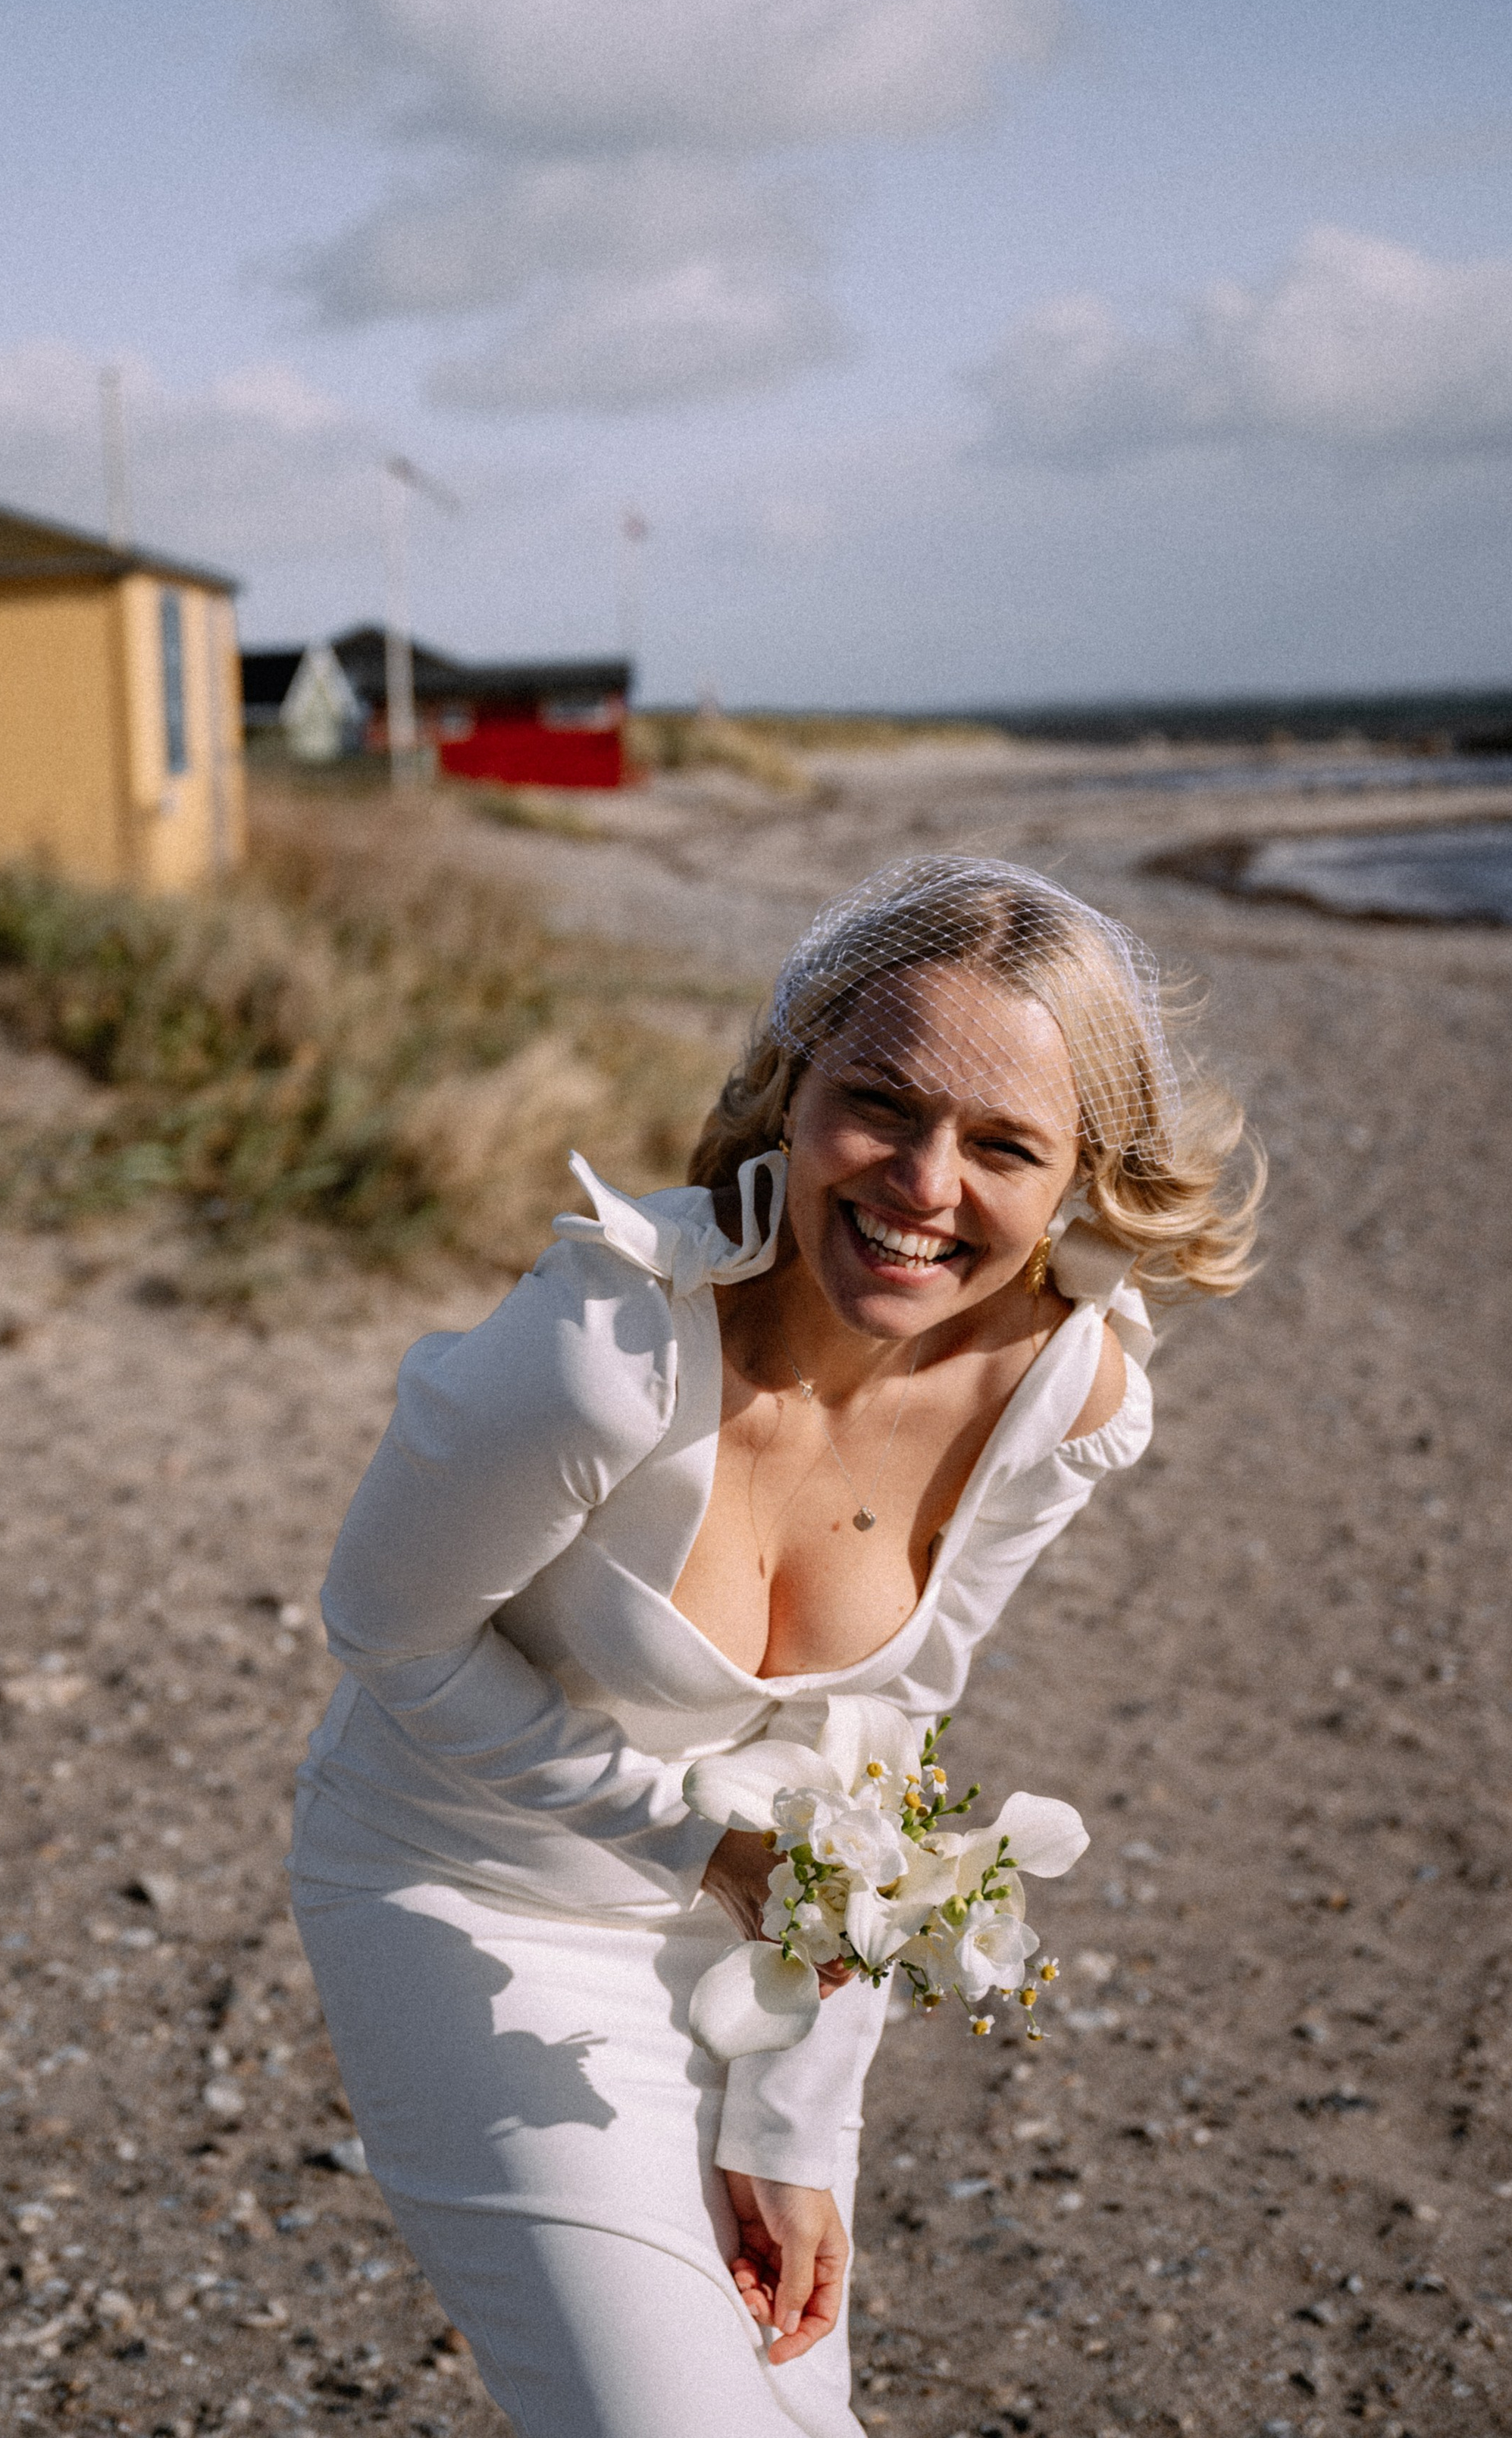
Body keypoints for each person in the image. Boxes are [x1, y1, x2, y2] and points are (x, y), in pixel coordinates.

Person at [291, 857, 1260, 2437]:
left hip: (742, 1945)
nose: (923, 1185)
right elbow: (381, 1632)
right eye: (877, 1101)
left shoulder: (1065, 1402)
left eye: (1003, 1144)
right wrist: (691, 1837)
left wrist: (795, 2119)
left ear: (1080, 1173)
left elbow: (875, 1758)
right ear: (790, 1084)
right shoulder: (601, 1350)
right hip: (459, 1894)